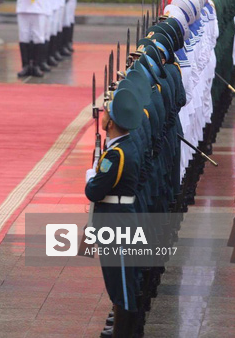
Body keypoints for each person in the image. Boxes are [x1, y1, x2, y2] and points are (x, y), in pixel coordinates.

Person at [85, 88, 143, 337]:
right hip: (119, 218)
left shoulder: (116, 154)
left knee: (120, 284)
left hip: (115, 222)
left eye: (107, 112)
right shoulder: (123, 146)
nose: (103, 115)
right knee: (121, 282)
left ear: (113, 122)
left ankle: (125, 333)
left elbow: (95, 191)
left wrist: (91, 178)